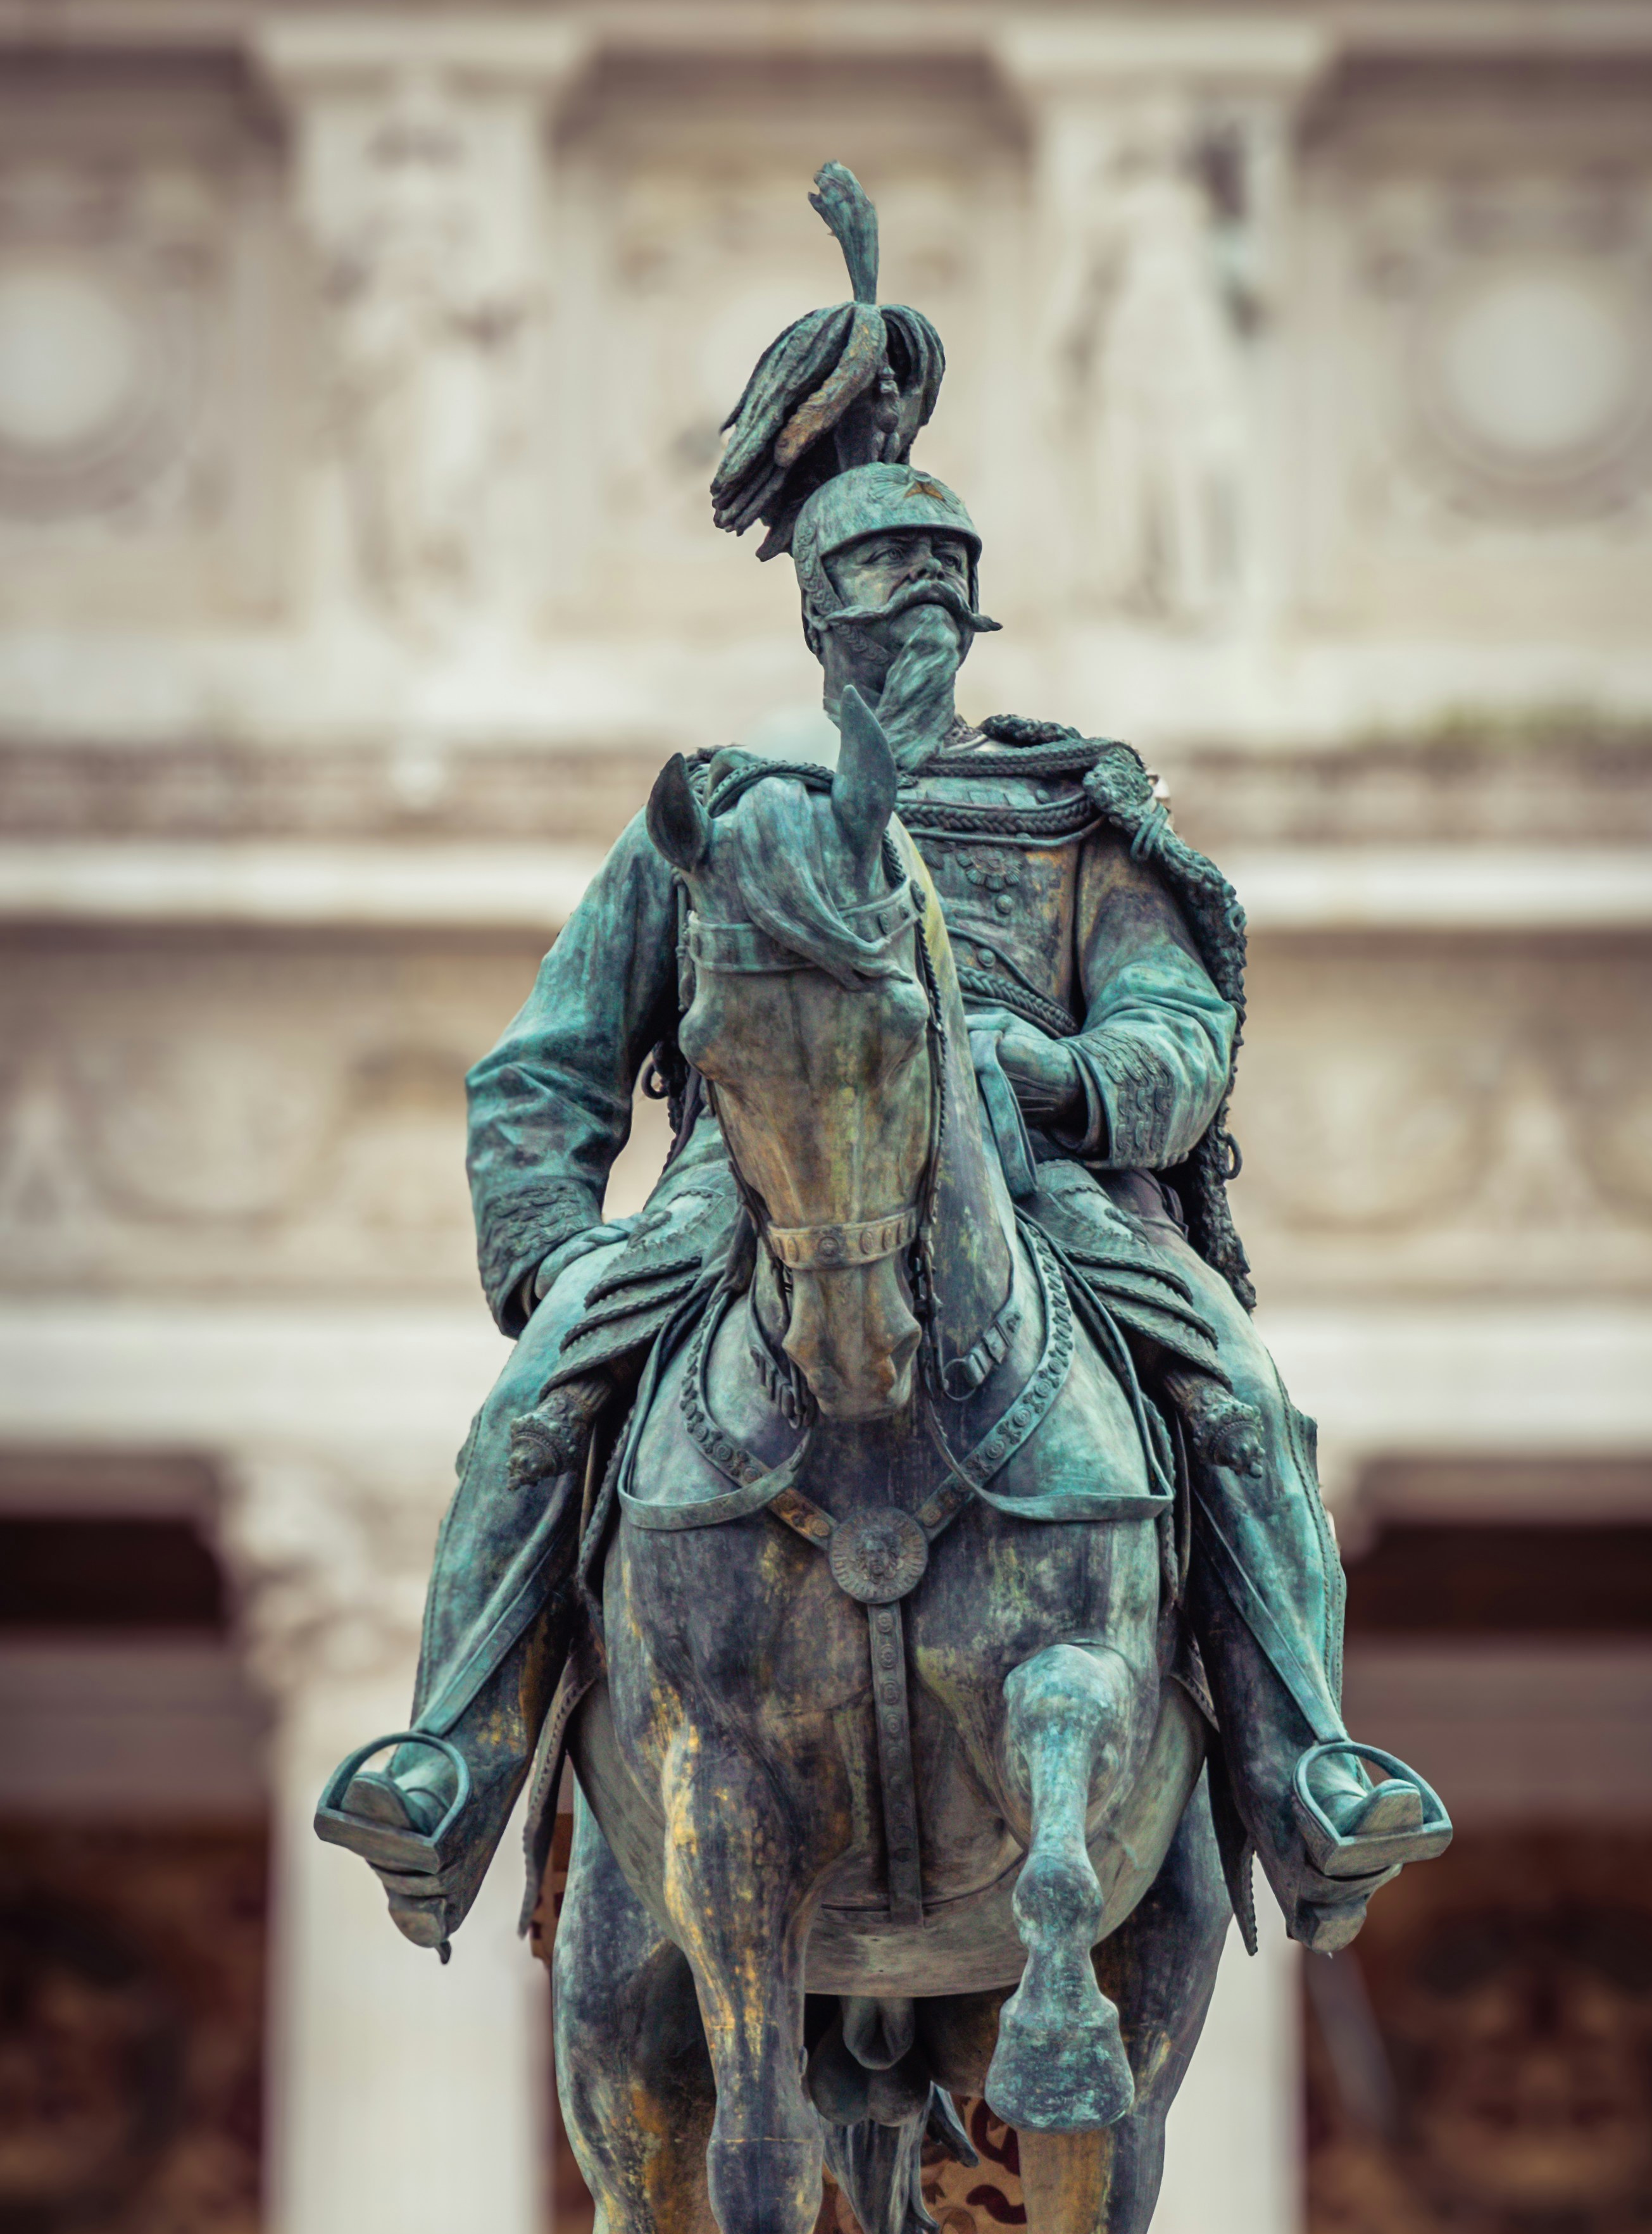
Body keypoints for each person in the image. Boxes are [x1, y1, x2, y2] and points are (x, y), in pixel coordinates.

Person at [318, 168, 1448, 1965]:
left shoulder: (1073, 811)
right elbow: (544, 1072)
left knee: (1233, 1390)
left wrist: (1064, 1080)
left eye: (941, 582)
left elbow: (1175, 1035)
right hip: (740, 1203)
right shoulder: (719, 820)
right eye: (880, 585)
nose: (914, 614)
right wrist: (554, 1261)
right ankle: (453, 1756)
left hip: (1040, 1196)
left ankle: (1305, 1764)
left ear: (975, 606)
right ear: (820, 617)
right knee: (539, 1406)